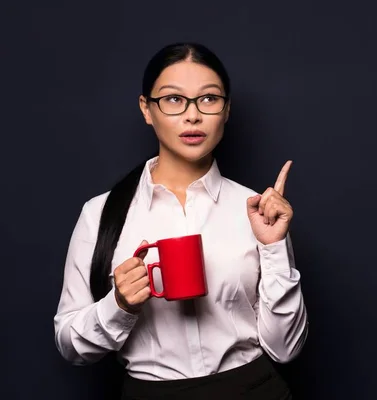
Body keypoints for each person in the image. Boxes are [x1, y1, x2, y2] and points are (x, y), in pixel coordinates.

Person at [53, 42, 308, 399]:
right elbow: (70, 346)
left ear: (226, 109)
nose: (192, 115)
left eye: (208, 99)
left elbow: (286, 349)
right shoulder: (101, 213)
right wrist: (119, 305)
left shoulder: (257, 210)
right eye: (173, 99)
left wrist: (274, 246)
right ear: (147, 109)